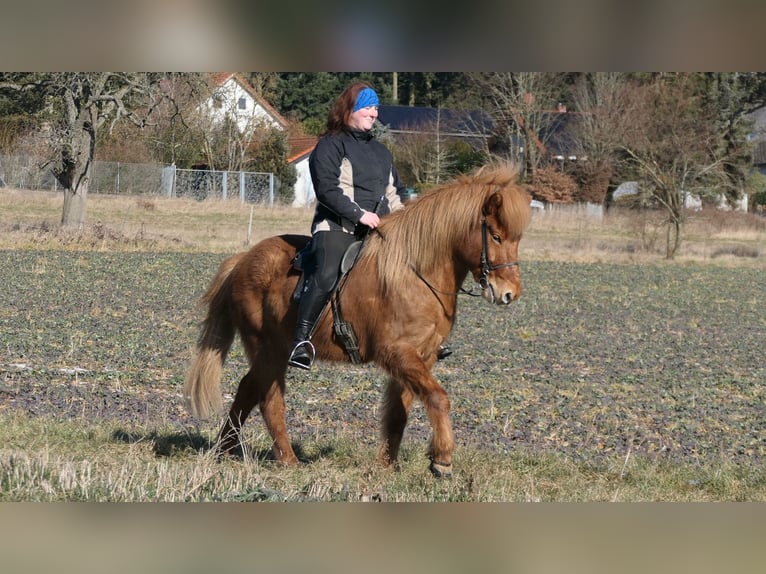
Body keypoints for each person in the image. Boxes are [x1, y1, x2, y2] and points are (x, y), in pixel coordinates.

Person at [287, 81, 407, 369]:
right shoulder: (330, 145)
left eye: (376, 107)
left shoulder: (382, 153)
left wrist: (404, 225)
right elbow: (327, 189)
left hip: (379, 231)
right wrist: (359, 214)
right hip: (336, 228)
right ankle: (300, 341)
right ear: (350, 110)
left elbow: (395, 192)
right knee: (327, 274)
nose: (373, 113)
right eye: (367, 107)